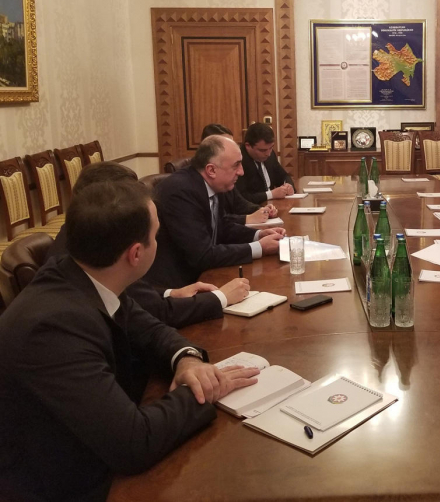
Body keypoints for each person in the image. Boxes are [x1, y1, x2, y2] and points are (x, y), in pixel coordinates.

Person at [0, 180, 260, 501]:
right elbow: (135, 443)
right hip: (65, 485)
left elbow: (151, 330)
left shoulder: (84, 275)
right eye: (155, 235)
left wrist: (187, 359)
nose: (158, 243)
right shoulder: (52, 329)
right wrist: (208, 389)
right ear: (136, 253)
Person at [46, 162, 250, 329]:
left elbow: (138, 303)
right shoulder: (102, 250)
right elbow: (156, 313)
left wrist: (170, 293)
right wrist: (221, 297)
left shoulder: (86, 236)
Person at [145, 135, 285, 288]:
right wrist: (259, 248)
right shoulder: (181, 192)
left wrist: (258, 235)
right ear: (211, 170)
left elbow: (221, 226)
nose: (241, 172)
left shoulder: (212, 184)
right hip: (178, 286)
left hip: (202, 274)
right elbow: (202, 255)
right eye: (236, 165)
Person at [201, 123, 278, 225]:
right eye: (227, 147)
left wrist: (263, 210)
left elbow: (240, 204)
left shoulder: (224, 179)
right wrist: (247, 219)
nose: (241, 172)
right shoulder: (187, 188)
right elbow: (215, 221)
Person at [236, 122, 295, 204]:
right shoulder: (238, 161)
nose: (268, 153)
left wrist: (288, 185)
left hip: (271, 207)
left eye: (271, 148)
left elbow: (284, 176)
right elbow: (241, 197)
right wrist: (270, 194)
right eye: (262, 150)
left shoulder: (270, 155)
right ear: (248, 146)